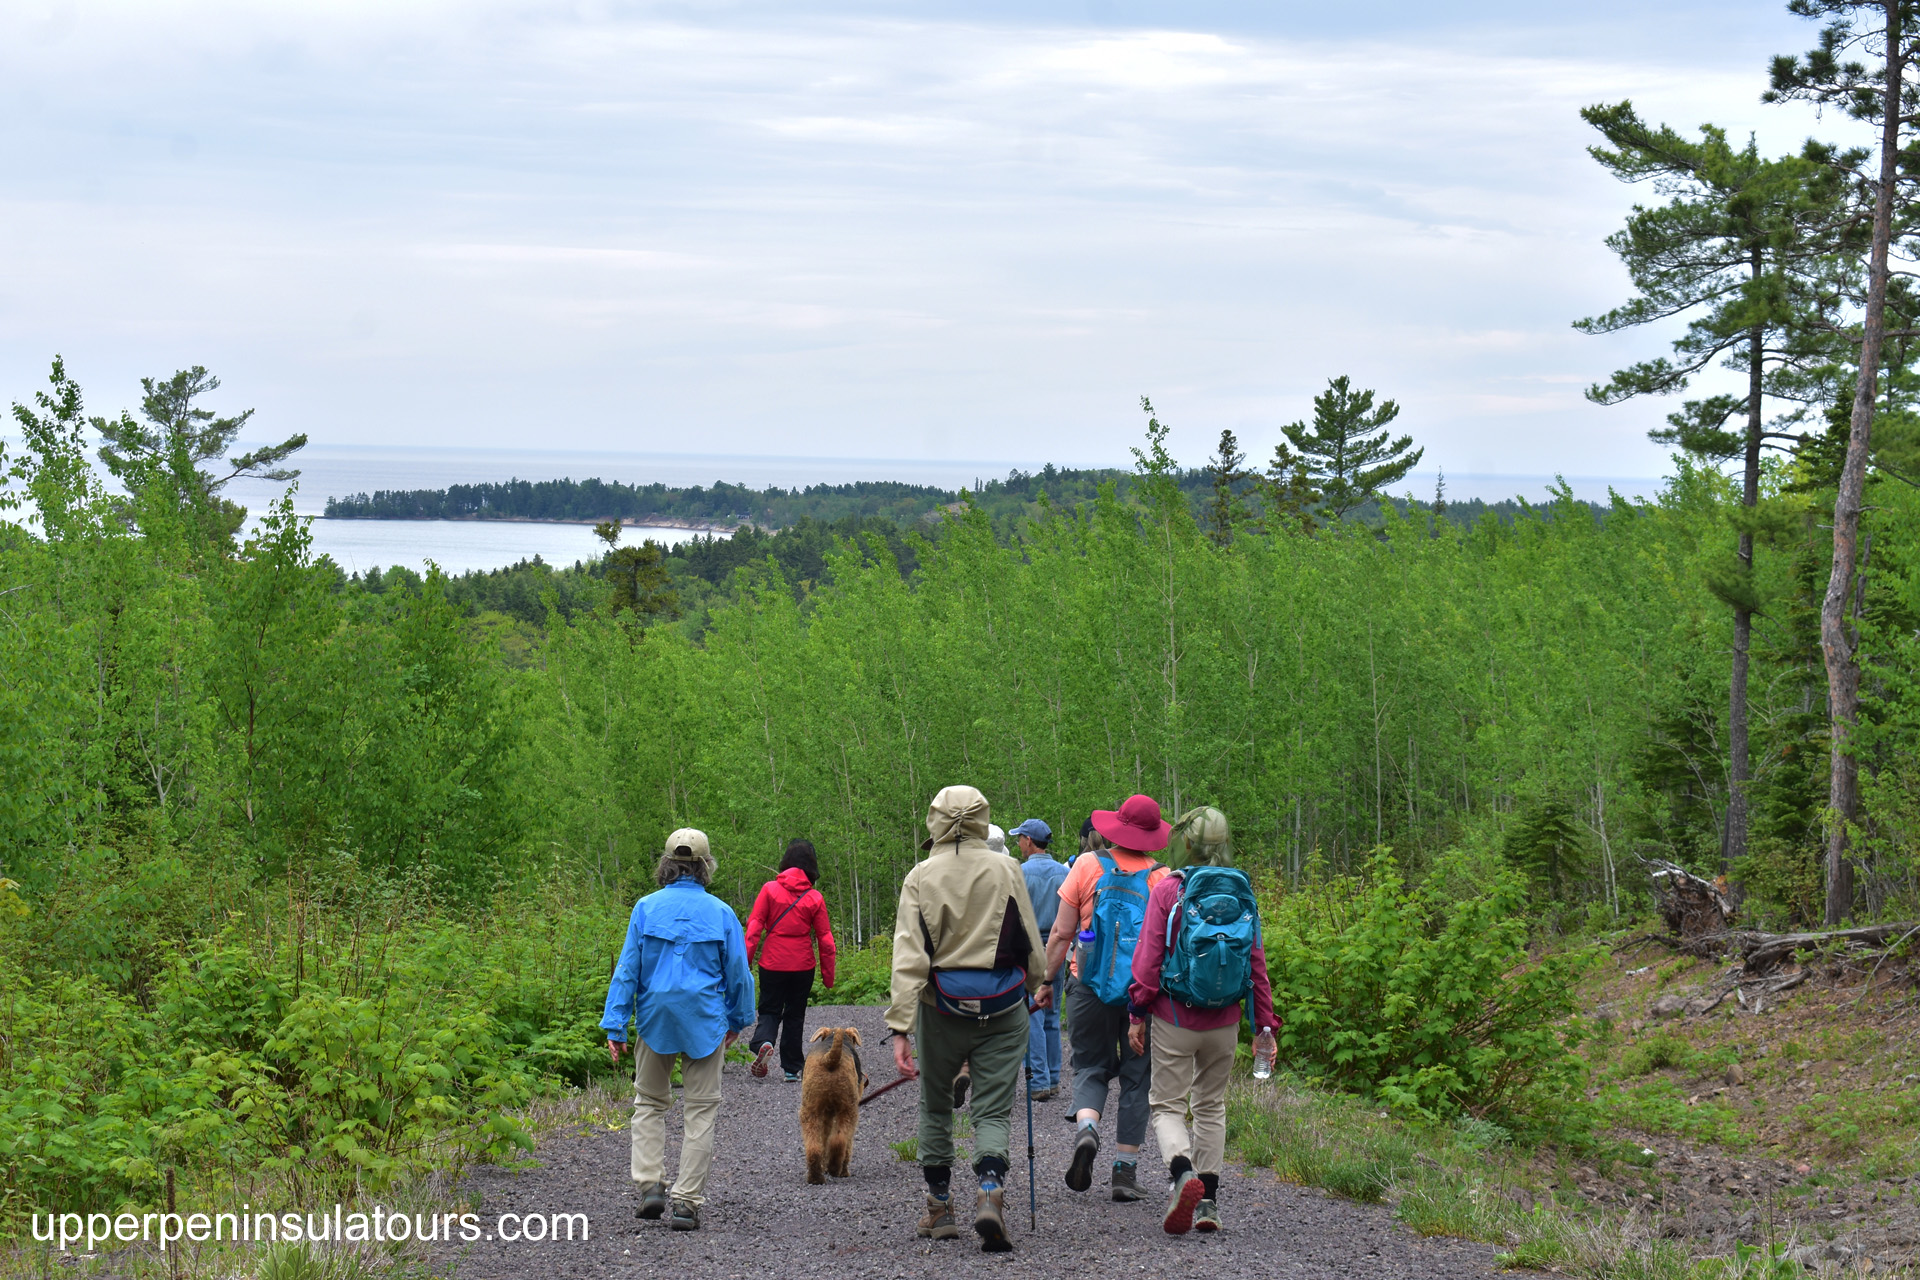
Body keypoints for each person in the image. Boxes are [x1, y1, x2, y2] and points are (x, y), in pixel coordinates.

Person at [887, 785, 1049, 1253]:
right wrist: (1037, 982)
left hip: (941, 1010)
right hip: (1003, 1007)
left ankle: (939, 1209)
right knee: (994, 1109)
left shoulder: (921, 875)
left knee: (935, 1105)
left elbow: (908, 957)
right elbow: (1030, 943)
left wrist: (900, 1026)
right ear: (983, 820)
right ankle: (990, 1188)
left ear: (935, 823)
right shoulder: (1007, 867)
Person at [1128, 806, 1279, 1235]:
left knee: (1167, 1107)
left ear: (1186, 843)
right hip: (1225, 1022)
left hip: (1176, 1017)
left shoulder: (1169, 890)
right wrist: (1264, 1026)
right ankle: (1208, 1203)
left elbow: (1149, 958)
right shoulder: (1243, 890)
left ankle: (1182, 1175)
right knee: (1211, 1107)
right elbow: (1256, 962)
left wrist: (1137, 1012)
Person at [602, 828, 755, 1232]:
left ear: (666, 864)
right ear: (706, 867)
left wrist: (616, 1023)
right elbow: (738, 974)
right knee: (701, 1109)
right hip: (704, 1017)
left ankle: (651, 1183)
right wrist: (738, 1019)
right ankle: (686, 1203)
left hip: (656, 1017)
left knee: (650, 1102)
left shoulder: (646, 909)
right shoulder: (722, 913)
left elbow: (627, 969)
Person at [1044, 794, 1172, 1203]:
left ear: (1114, 827)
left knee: (1090, 1067)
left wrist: (1046, 980)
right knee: (1137, 1077)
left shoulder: (1085, 865)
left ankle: (1087, 1131)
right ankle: (1124, 1172)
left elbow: (1062, 934)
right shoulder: (1162, 878)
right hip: (1141, 993)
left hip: (1088, 985)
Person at [744, 839, 838, 1081]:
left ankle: (764, 1041)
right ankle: (791, 1068)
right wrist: (828, 977)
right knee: (795, 1014)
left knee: (769, 1008)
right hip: (802, 964)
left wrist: (746, 960)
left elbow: (754, 927)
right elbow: (825, 939)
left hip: (773, 961)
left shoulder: (769, 890)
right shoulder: (814, 897)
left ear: (785, 863)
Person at [1013, 818, 1068, 1100]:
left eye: (1020, 838)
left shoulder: (1019, 873)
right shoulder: (1064, 873)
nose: (1018, 844)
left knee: (1031, 1015)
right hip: (1057, 948)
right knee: (1051, 1014)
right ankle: (1054, 1077)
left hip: (1030, 949)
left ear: (1030, 841)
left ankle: (1039, 1082)